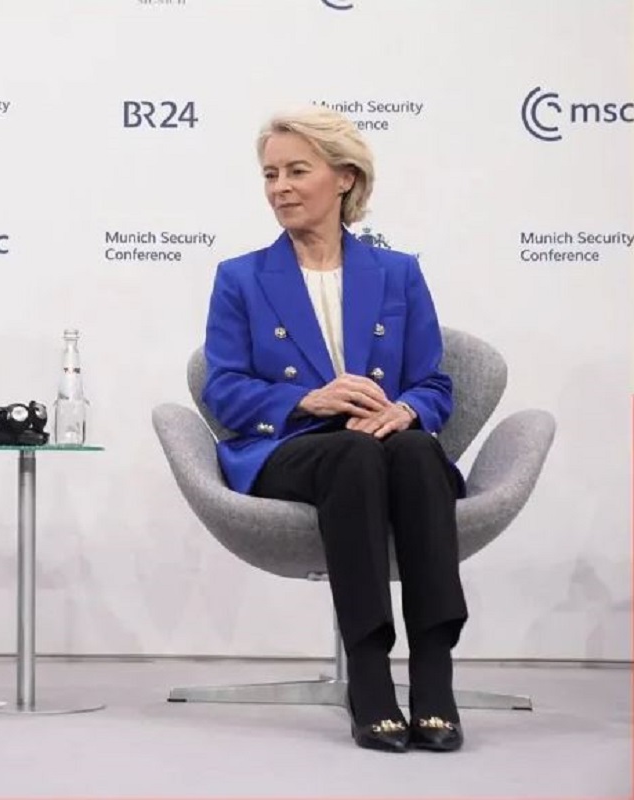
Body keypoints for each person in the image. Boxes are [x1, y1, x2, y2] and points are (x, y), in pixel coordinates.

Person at [202, 106, 466, 753]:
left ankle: (434, 678)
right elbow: (223, 387)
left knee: (415, 452)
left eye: (297, 171)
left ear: (345, 178)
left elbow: (433, 383)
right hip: (291, 447)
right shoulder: (240, 278)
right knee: (353, 454)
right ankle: (370, 680)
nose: (280, 188)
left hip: (383, 443)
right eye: (270, 174)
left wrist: (406, 410)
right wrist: (307, 399)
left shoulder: (398, 273)